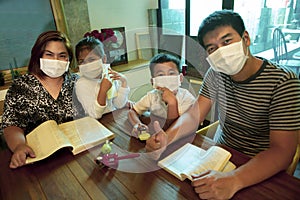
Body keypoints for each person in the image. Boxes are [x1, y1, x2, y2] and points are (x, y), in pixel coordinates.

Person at [145, 10, 300, 199]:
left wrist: (234, 179)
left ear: (246, 38)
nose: (221, 52)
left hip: (259, 165)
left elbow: (282, 151)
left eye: (227, 41)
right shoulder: (216, 74)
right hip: (220, 154)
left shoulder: (284, 81)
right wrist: (166, 138)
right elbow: (194, 115)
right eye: (212, 48)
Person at [2, 30, 83, 169]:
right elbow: (12, 124)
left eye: (62, 55)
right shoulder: (21, 87)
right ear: (38, 56)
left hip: (76, 155)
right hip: (40, 161)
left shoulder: (77, 82)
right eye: (49, 55)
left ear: (68, 59)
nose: (56, 60)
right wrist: (19, 146)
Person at [128, 53, 195, 138]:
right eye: (161, 75)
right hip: (156, 135)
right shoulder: (152, 96)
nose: (167, 78)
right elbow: (132, 112)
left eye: (171, 73)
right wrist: (137, 125)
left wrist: (172, 103)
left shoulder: (187, 99)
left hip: (180, 138)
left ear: (180, 78)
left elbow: (174, 128)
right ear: (153, 82)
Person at [75, 36, 129, 119]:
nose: (87, 65)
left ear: (103, 59)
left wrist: (124, 83)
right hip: (97, 125)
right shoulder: (81, 84)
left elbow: (118, 104)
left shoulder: (108, 75)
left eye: (91, 59)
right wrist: (103, 90)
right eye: (82, 61)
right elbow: (95, 115)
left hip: (113, 118)